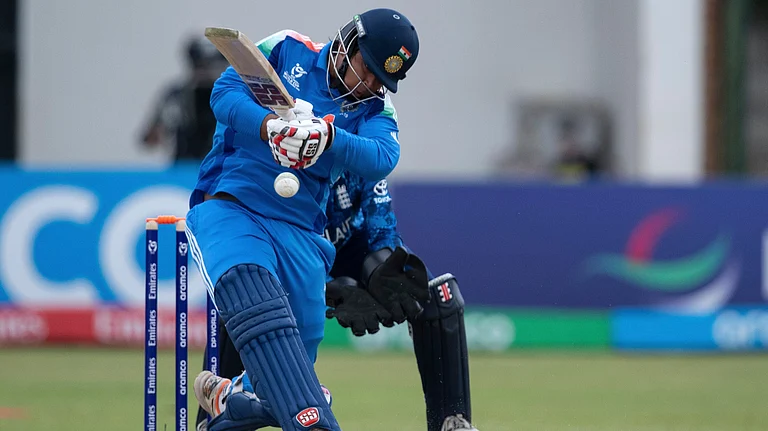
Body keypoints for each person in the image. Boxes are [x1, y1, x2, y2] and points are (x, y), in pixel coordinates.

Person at [185, 8, 420, 431]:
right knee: (260, 309)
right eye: (366, 69)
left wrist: (327, 135)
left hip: (302, 235)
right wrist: (271, 127)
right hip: (233, 206)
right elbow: (224, 94)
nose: (368, 86)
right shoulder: (289, 47)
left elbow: (383, 157)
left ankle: (233, 399)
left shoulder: (374, 110)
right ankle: (258, 400)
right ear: (349, 43)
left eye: (379, 82)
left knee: (290, 382)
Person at [194, 173, 477, 431]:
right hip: (293, 248)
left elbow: (380, 219)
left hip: (351, 245)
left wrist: (380, 269)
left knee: (440, 297)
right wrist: (330, 287)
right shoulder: (286, 156)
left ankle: (452, 422)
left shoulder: (362, 143)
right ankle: (216, 414)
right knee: (249, 300)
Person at [140, 36, 228, 162]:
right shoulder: (176, 96)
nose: (205, 73)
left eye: (211, 66)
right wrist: (164, 130)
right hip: (184, 167)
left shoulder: (230, 97)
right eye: (200, 66)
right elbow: (149, 138)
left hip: (220, 166)